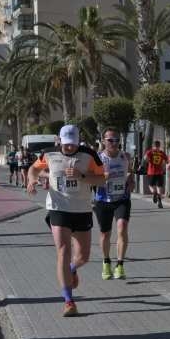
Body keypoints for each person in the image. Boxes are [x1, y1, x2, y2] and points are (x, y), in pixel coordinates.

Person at [27, 125, 105, 317]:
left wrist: (82, 176)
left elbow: (102, 179)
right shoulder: (48, 153)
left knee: (83, 257)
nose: (70, 147)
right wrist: (31, 180)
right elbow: (34, 168)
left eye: (73, 143)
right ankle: (69, 301)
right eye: (66, 143)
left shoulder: (89, 155)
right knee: (63, 250)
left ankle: (72, 269)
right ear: (60, 140)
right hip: (58, 208)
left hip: (82, 210)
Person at [92, 128, 133, 281]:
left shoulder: (125, 156)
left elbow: (129, 172)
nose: (114, 143)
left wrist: (131, 181)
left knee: (122, 228)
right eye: (110, 140)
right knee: (105, 234)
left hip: (122, 199)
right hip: (103, 200)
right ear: (103, 141)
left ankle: (120, 265)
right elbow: (90, 179)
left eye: (116, 140)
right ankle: (106, 262)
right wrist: (103, 177)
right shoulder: (98, 159)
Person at [143, 140, 168, 207]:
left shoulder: (150, 151)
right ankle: (159, 199)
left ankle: (154, 193)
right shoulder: (161, 153)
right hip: (160, 172)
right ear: (159, 146)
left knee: (151, 185)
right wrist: (163, 165)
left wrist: (148, 160)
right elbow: (167, 161)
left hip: (151, 172)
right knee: (159, 187)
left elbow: (145, 158)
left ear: (153, 145)